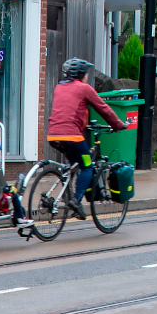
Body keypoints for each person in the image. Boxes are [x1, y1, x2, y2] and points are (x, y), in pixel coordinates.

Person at [46, 58, 127, 218]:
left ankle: (66, 193)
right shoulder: (84, 88)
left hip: (53, 135)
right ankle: (76, 201)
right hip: (72, 136)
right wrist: (118, 125)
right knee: (88, 165)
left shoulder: (59, 87)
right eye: (86, 74)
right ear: (80, 74)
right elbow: (103, 108)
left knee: (74, 164)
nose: (87, 77)